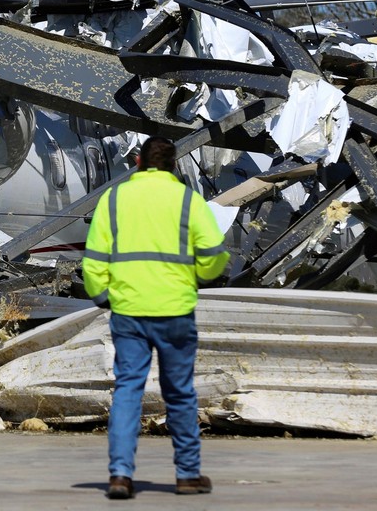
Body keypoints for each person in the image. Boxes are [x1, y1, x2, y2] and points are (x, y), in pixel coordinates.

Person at [82, 136, 229, 500]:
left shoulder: (113, 200)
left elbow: (94, 259)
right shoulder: (188, 201)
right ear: (173, 165)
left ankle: (119, 475)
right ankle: (187, 475)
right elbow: (215, 254)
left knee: (128, 389)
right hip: (175, 309)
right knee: (179, 393)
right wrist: (198, 277)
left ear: (137, 161)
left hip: (128, 310)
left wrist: (103, 296)